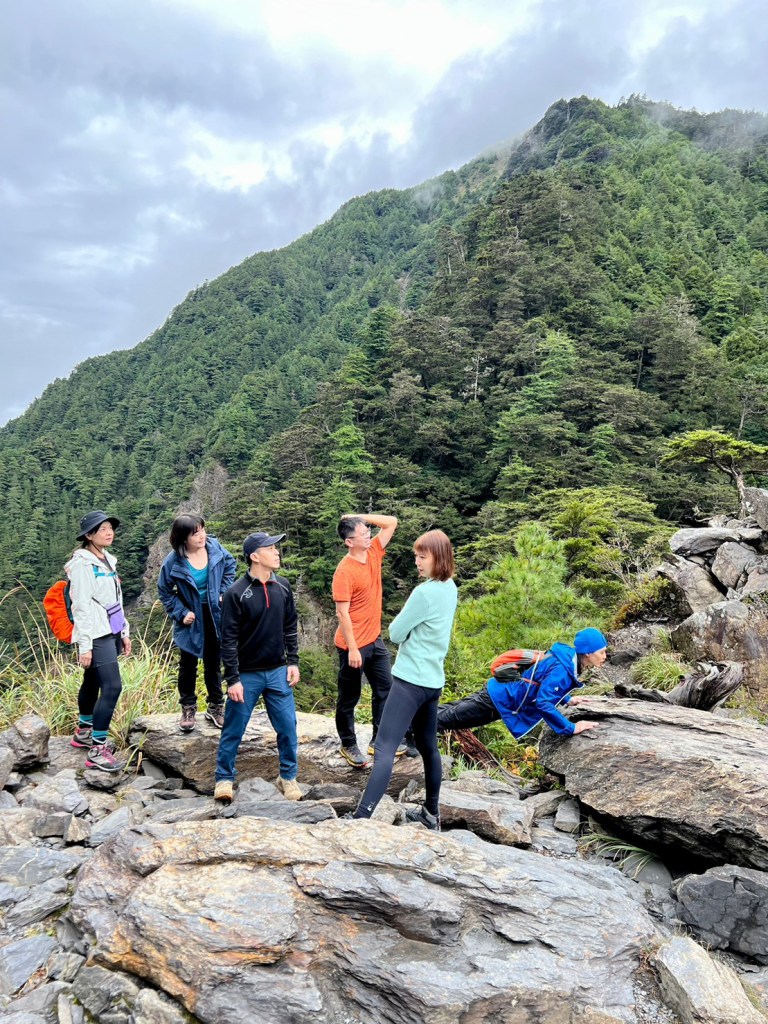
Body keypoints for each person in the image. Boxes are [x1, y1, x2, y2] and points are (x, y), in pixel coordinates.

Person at [349, 530, 458, 831]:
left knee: (385, 748)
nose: (417, 562)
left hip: (410, 681)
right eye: (416, 556)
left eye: (423, 557)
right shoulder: (450, 587)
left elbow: (395, 633)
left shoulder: (424, 593)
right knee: (428, 747)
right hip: (432, 682)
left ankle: (360, 819)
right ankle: (431, 815)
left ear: (439, 558)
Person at [213, 532, 301, 804]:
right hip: (246, 675)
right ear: (254, 556)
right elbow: (228, 639)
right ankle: (224, 779)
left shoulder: (283, 587)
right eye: (270, 548)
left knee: (288, 727)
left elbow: (290, 626)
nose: (277, 552)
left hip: (277, 671)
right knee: (234, 728)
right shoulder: (236, 593)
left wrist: (293, 661)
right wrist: (232, 679)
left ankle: (288, 777)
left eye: (276, 548)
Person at [332, 512, 410, 768]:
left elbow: (391, 522)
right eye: (362, 534)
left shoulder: (374, 551)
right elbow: (342, 613)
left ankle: (379, 740)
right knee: (349, 697)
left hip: (374, 639)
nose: (368, 537)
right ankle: (348, 744)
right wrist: (353, 649)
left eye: (368, 533)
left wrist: (358, 517)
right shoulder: (344, 571)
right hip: (352, 644)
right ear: (349, 542)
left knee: (386, 689)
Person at [436, 627, 607, 740]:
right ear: (588, 653)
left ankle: (419, 719)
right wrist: (571, 728)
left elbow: (542, 682)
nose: (604, 657)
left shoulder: (567, 657)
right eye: (602, 652)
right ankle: (417, 735)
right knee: (447, 719)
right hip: (500, 700)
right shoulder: (563, 669)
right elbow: (544, 702)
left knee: (448, 712)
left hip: (500, 693)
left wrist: (567, 699)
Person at [157, 514, 237, 732]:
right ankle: (188, 707)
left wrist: (223, 591)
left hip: (214, 612)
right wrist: (181, 612)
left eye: (202, 530)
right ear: (183, 537)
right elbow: (164, 591)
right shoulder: (173, 561)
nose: (202, 536)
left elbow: (230, 566)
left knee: (213, 661)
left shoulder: (214, 548)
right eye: (195, 533)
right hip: (190, 615)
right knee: (188, 662)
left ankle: (216, 706)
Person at [66, 510, 131, 773]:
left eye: (110, 528)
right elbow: (80, 606)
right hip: (96, 633)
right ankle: (98, 749)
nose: (109, 532)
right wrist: (85, 646)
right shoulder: (83, 564)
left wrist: (124, 631)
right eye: (102, 529)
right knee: (113, 686)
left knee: (92, 680)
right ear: (89, 536)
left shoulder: (106, 560)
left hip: (110, 628)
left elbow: (115, 600)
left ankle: (84, 731)